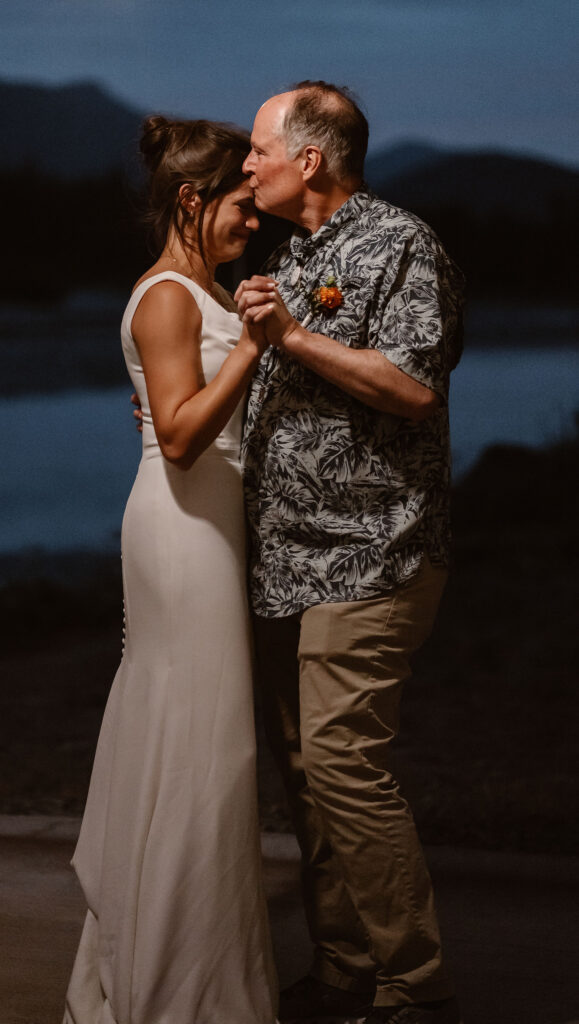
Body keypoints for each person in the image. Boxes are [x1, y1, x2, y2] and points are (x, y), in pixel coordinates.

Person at [235, 82, 465, 1024]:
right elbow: (288, 393)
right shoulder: (296, 254)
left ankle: (415, 986)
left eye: (257, 148)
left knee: (340, 764)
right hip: (285, 560)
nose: (246, 165)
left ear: (309, 160)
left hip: (372, 554)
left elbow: (412, 389)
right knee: (304, 774)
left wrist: (286, 332)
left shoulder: (400, 244)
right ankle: (342, 973)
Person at [63, 116, 278, 1024]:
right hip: (183, 529)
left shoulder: (206, 291)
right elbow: (184, 437)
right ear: (191, 201)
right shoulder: (165, 298)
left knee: (212, 750)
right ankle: (169, 987)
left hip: (211, 525)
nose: (252, 223)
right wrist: (259, 350)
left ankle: (179, 961)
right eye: (239, 205)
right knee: (196, 746)